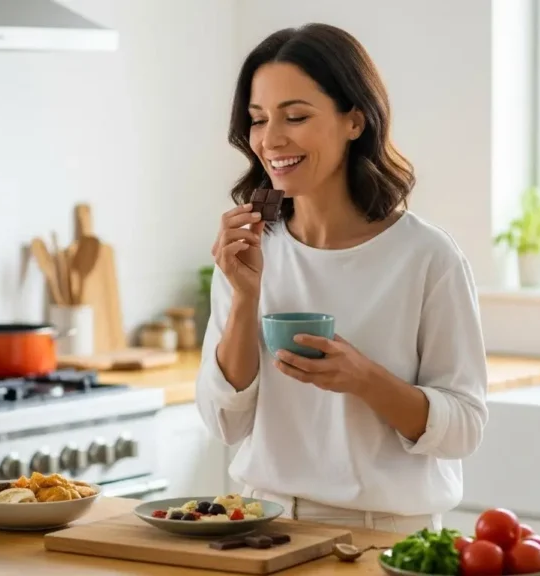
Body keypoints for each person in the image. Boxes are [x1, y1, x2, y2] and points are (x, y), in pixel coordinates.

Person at [195, 22, 489, 534]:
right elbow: (225, 423)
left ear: (354, 120)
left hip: (391, 536)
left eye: (296, 116)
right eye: (259, 119)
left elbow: (464, 428)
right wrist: (244, 298)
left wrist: (366, 380)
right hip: (265, 528)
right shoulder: (250, 249)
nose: (271, 139)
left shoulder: (427, 256)